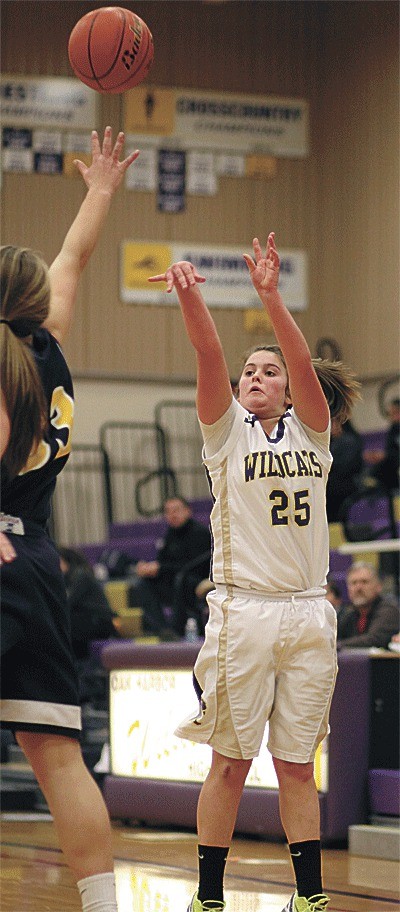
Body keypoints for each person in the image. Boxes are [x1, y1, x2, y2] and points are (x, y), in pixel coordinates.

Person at [149, 234, 360, 912]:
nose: (256, 377)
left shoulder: (314, 433)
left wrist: (271, 297)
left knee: (298, 765)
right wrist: (190, 297)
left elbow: (301, 358)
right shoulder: (226, 433)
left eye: (268, 372)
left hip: (308, 612)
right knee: (231, 764)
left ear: (292, 389)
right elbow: (209, 353)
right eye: (250, 373)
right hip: (243, 611)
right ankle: (209, 896)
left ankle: (310, 897)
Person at [0, 127, 139, 912]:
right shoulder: (46, 349)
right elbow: (76, 259)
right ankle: (102, 904)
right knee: (56, 755)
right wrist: (100, 192)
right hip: (41, 564)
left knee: (53, 755)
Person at [129, 496, 211, 636]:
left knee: (182, 579)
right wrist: (150, 569)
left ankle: (177, 630)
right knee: (142, 585)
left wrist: (160, 568)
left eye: (176, 510)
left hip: (194, 580)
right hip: (174, 580)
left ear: (187, 511)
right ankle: (161, 630)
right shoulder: (169, 535)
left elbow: (194, 565)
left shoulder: (200, 533)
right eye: (168, 511)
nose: (172, 515)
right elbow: (162, 562)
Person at [59, 546, 118, 661]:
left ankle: (78, 663)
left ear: (66, 561)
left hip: (100, 622)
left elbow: (69, 602)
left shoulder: (82, 576)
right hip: (88, 619)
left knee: (68, 623)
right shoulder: (67, 579)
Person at [337, 562, 400, 649]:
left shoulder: (389, 609)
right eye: (354, 583)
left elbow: (374, 640)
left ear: (378, 586)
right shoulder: (348, 614)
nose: (358, 587)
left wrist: (337, 646)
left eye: (364, 582)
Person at [325, 417, 363, 522]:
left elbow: (345, 468)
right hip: (336, 483)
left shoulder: (349, 441)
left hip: (347, 485)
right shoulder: (330, 442)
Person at [363, 397, 400, 494]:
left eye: (395, 413)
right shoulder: (394, 429)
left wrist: (385, 456)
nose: (392, 416)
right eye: (390, 413)